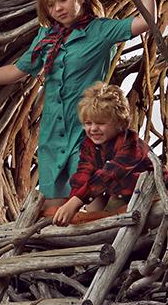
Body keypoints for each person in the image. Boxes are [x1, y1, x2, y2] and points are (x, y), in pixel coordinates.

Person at [0, 0, 161, 215]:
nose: (58, 8)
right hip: (52, 132)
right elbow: (18, 70)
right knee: (52, 207)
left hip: (86, 129)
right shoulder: (46, 37)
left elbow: (147, 21)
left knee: (87, 201)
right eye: (51, 4)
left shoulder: (100, 30)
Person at [51, 83, 153, 225]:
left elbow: (109, 175)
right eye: (88, 123)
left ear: (120, 123)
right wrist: (72, 202)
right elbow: (83, 174)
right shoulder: (90, 144)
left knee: (108, 214)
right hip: (115, 191)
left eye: (100, 123)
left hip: (143, 193)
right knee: (89, 202)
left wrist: (76, 202)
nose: (93, 129)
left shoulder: (131, 145)